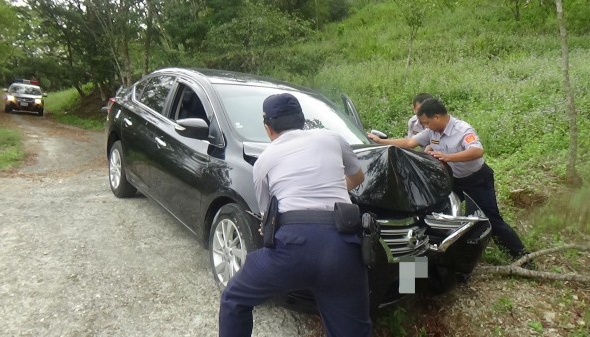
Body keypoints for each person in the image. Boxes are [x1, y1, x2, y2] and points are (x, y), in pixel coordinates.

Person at [219, 93, 370, 337]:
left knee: (233, 298)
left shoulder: (264, 161)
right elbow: (358, 177)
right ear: (303, 120)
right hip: (343, 247)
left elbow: (268, 215)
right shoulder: (332, 138)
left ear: (268, 128)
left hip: (293, 248)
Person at [367, 98, 530, 261]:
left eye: (426, 122)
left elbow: (477, 151)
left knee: (490, 218)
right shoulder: (432, 131)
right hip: (453, 181)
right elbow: (410, 142)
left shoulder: (462, 129)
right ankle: (443, 254)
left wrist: (448, 157)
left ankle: (522, 256)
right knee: (436, 212)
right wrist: (382, 142)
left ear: (437, 117)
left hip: (477, 180)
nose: (425, 127)